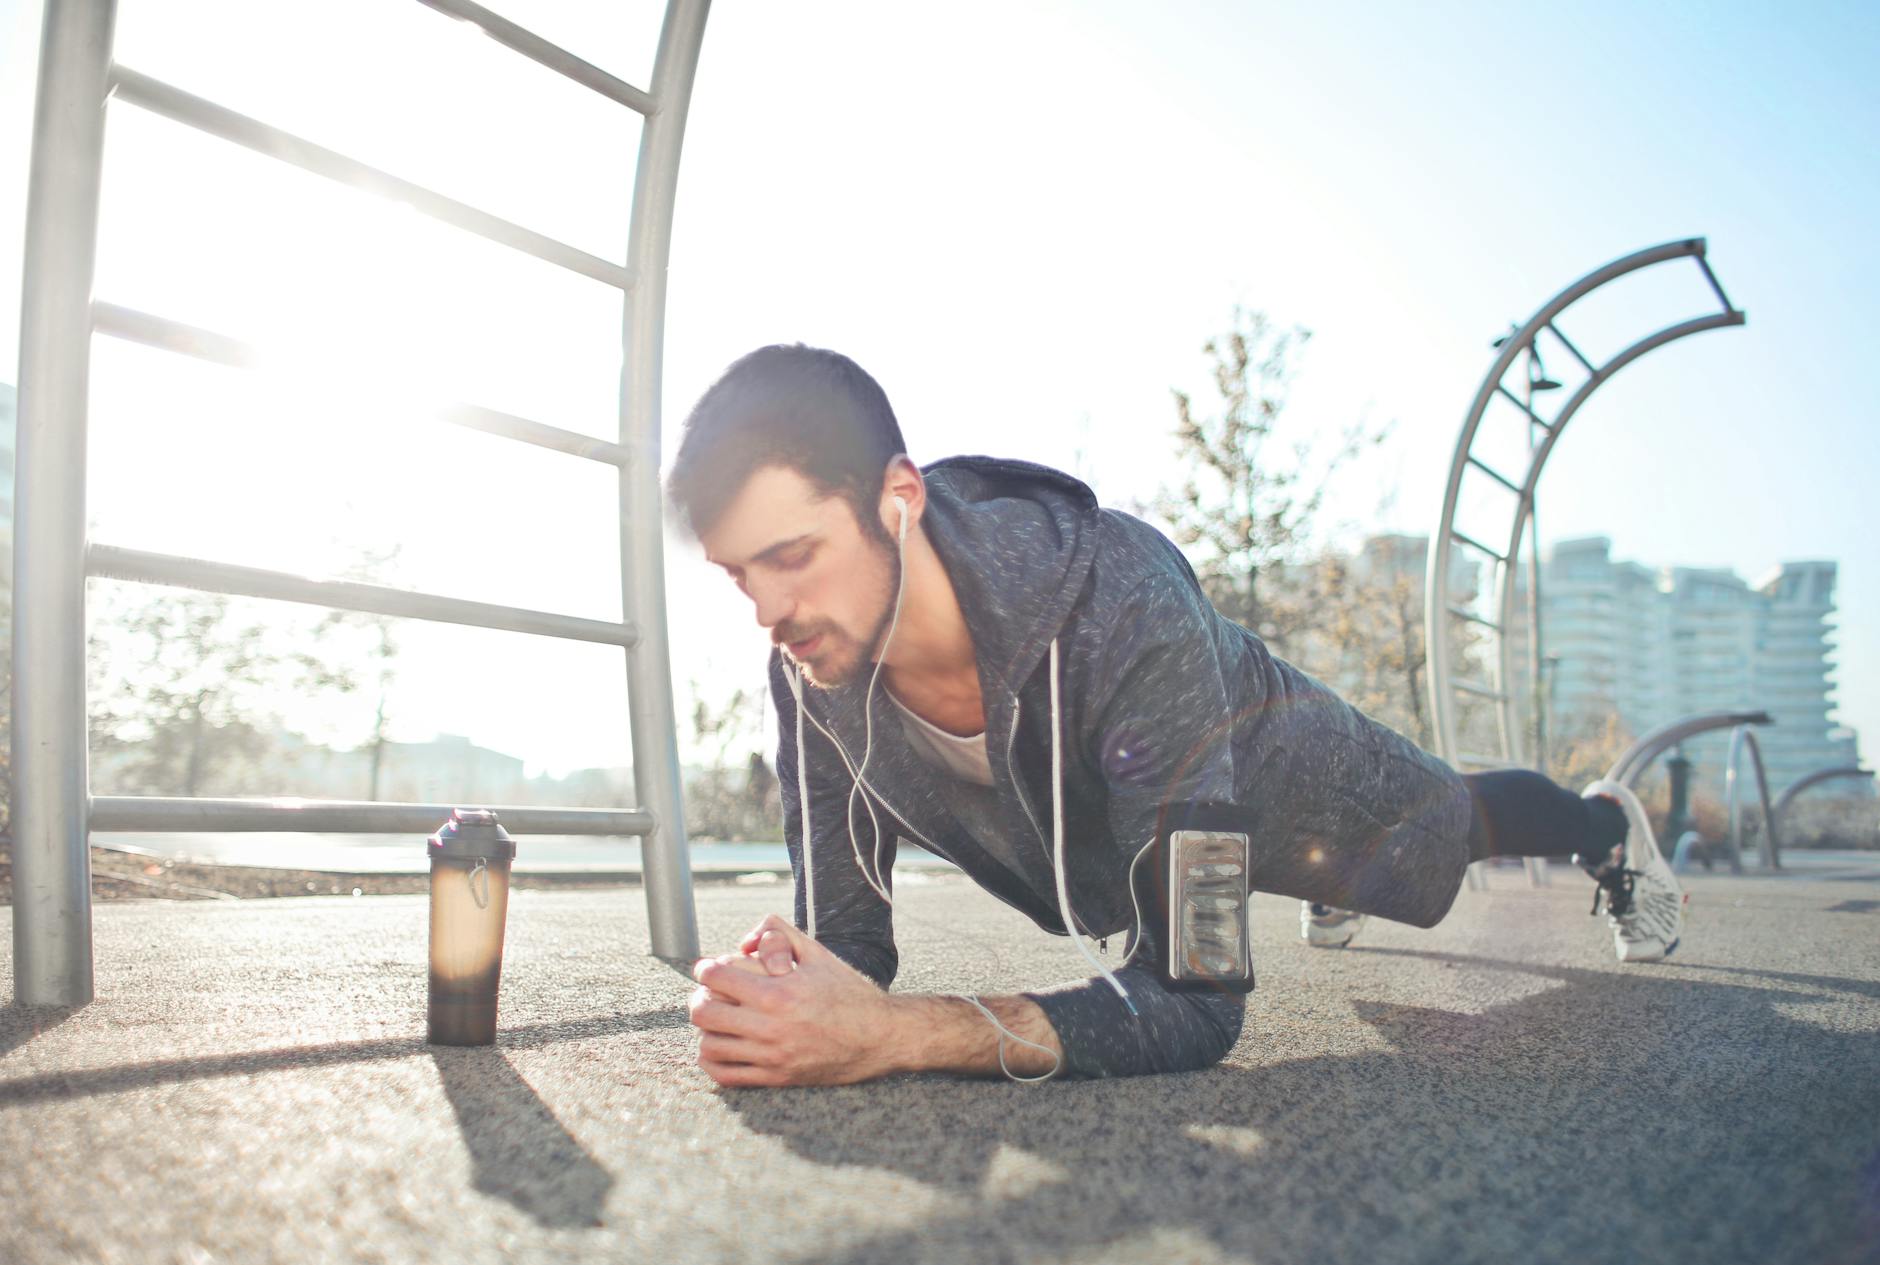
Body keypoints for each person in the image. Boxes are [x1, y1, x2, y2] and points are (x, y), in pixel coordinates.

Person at [669, 344, 1685, 1087]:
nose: (767, 612)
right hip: (1160, 838)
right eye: (737, 575)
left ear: (899, 497)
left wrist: (897, 1032)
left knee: (1452, 831)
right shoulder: (812, 666)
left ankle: (1605, 822)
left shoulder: (1121, 597)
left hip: (1302, 786)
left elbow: (1194, 1000)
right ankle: (1327, 883)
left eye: (792, 556)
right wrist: (786, 997)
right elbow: (849, 941)